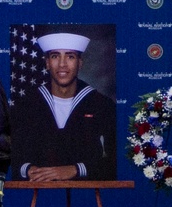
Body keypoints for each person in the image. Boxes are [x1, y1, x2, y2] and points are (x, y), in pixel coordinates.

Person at [13, 31, 115, 182]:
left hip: (85, 194)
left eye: (70, 56)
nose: (62, 64)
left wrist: (76, 169)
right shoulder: (26, 105)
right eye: (55, 56)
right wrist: (28, 169)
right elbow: (11, 153)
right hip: (38, 193)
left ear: (80, 63)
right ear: (47, 63)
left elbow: (114, 159)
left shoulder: (102, 105)